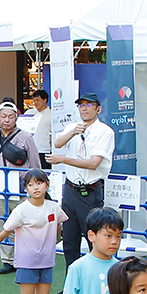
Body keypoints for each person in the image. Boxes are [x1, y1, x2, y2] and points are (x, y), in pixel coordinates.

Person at [0, 101, 43, 273]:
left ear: (16, 118)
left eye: (10, 116)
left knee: (24, 223)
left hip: (20, 187)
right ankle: (8, 260)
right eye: (3, 116)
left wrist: (36, 186)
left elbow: (35, 163)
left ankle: (26, 258)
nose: (7, 120)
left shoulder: (26, 137)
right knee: (1, 223)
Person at [51, 92, 114, 275]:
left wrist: (63, 159)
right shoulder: (73, 127)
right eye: (81, 105)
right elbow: (58, 143)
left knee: (93, 238)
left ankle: (98, 282)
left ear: (98, 109)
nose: (84, 108)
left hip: (90, 191)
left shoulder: (105, 131)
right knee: (69, 240)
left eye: (88, 105)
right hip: (70, 189)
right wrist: (73, 132)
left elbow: (94, 163)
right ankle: (71, 284)